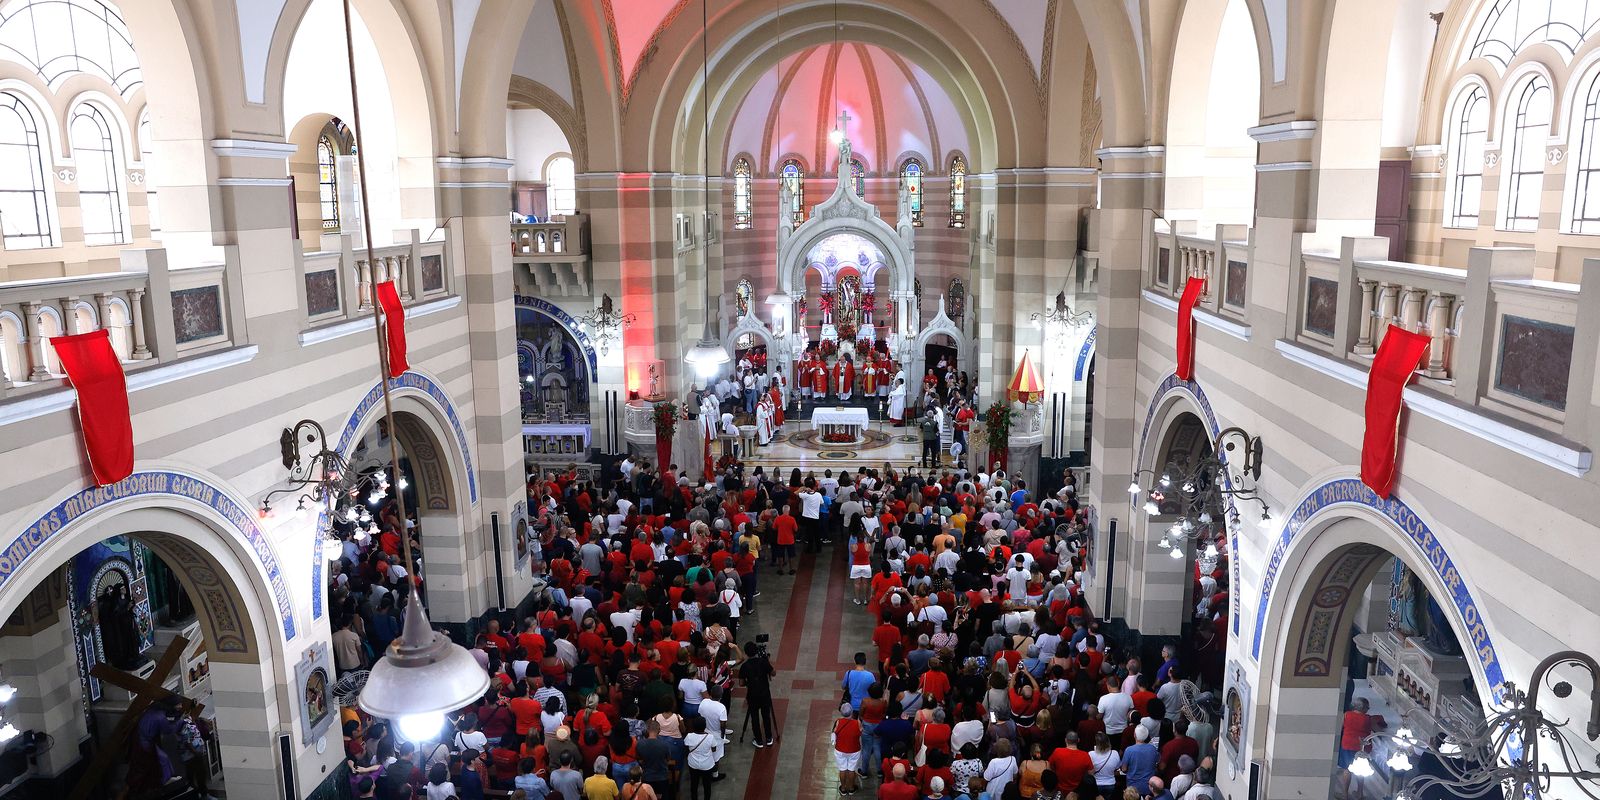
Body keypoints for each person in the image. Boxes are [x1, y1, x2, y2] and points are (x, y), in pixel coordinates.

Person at [738, 640, 777, 747]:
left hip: (752, 695)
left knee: (754, 717)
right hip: (765, 694)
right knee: (766, 716)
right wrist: (768, 662)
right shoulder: (763, 662)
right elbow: (773, 673)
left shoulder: (744, 666)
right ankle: (769, 738)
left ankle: (759, 740)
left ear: (746, 653)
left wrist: (749, 682)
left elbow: (741, 683)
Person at [833, 702, 864, 796]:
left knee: (842, 769)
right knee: (851, 769)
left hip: (840, 749)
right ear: (852, 712)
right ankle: (851, 788)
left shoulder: (838, 722)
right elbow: (861, 732)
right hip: (854, 749)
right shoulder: (857, 723)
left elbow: (834, 732)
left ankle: (843, 788)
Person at [683, 716, 718, 800]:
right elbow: (714, 749)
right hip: (707, 765)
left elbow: (686, 747)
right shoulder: (710, 737)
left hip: (693, 764)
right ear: (704, 726)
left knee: (694, 785)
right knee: (707, 786)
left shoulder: (689, 736)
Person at [1123, 725, 1160, 796]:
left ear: (1135, 735)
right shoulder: (1152, 749)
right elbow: (1157, 762)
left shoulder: (1129, 750)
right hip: (1148, 787)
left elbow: (1124, 769)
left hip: (1132, 788)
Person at [1339, 698, 1374, 768]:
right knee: (1361, 769)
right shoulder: (1368, 718)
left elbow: (1340, 728)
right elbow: (1376, 729)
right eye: (1368, 707)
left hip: (1347, 745)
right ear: (1364, 708)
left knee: (1347, 768)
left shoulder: (1346, 715)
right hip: (1361, 747)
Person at [1087, 732, 1121, 799]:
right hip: (1111, 784)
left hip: (1096, 785)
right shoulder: (1115, 753)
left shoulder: (1091, 754)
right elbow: (1117, 769)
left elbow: (1089, 772)